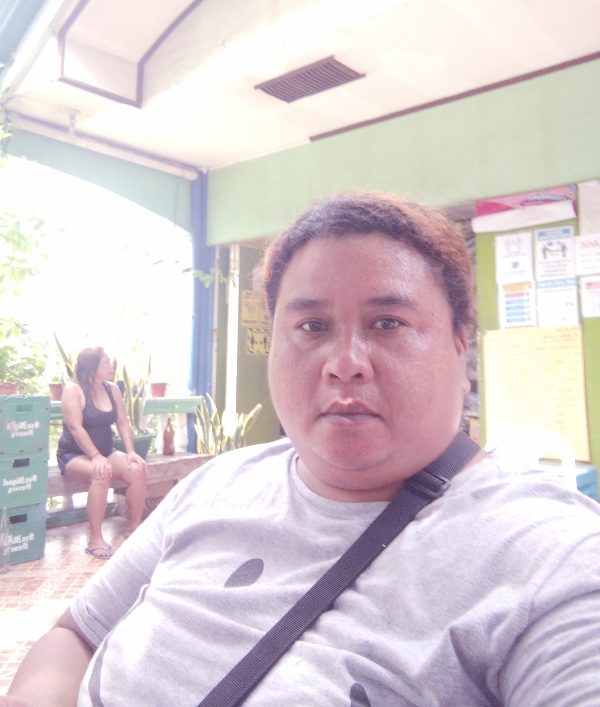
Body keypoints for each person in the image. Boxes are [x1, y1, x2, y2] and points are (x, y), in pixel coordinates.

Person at [4, 192, 600, 707]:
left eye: (388, 322)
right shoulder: (217, 483)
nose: (345, 364)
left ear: (460, 346)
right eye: (312, 327)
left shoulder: (552, 558)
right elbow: (74, 634)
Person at [56, 347, 147, 558]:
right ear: (93, 366)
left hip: (106, 452)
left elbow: (122, 422)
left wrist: (131, 452)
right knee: (101, 473)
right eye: (106, 362)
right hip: (73, 455)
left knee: (137, 468)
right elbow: (75, 428)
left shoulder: (112, 389)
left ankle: (135, 528)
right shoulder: (73, 390)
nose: (111, 366)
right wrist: (95, 456)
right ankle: (95, 539)